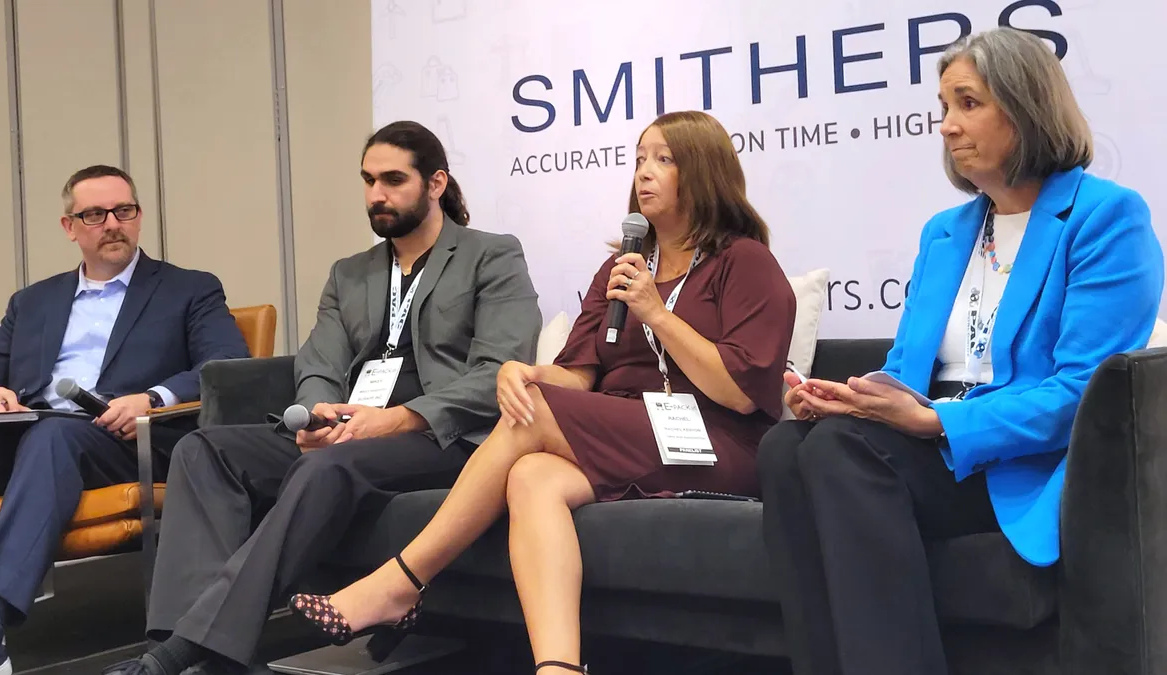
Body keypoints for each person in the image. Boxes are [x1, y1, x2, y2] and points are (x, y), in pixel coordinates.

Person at [286, 110, 797, 673]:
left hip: (717, 440)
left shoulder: (744, 261)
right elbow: (577, 376)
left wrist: (657, 313)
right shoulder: (621, 268)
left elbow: (742, 393)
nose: (644, 172)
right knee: (532, 475)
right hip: (630, 433)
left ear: (702, 171)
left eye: (664, 159)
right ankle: (558, 667)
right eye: (640, 158)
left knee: (534, 418)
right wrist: (521, 373)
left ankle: (400, 581)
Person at [756, 27, 1165, 675]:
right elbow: (906, 373)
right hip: (928, 453)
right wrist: (852, 398)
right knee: (786, 445)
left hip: (1021, 463)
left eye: (968, 103)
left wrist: (938, 421)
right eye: (944, 107)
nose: (947, 126)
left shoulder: (1105, 219)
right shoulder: (944, 233)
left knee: (842, 450)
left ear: (1025, 107)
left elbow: (1081, 395)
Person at [108, 121, 541, 675]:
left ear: (436, 184)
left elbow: (497, 371)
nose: (376, 195)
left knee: (331, 466)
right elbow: (318, 363)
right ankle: (185, 643)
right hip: (350, 431)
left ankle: (182, 655)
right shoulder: (351, 273)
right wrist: (317, 412)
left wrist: (398, 419)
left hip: (443, 436)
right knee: (204, 450)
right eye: (367, 181)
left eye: (392, 180)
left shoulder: (491, 256)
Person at [0, 165, 249, 675]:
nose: (112, 223)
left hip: (122, 439)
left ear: (139, 217)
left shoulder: (189, 289)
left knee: (55, 436)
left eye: (124, 211)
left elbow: (225, 364)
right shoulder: (33, 301)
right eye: (94, 214)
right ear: (69, 227)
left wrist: (154, 398)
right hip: (30, 432)